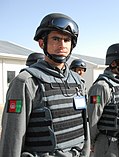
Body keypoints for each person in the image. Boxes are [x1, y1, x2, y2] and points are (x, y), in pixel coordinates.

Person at [0, 13, 90, 157]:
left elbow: (84, 128)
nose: (62, 45)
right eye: (56, 39)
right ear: (42, 43)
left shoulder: (78, 82)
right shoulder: (26, 82)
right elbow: (12, 137)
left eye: (67, 40)